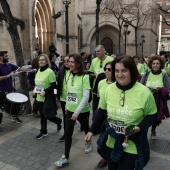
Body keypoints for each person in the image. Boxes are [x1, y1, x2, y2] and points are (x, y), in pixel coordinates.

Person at [85, 55, 157, 170]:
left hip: (132, 143)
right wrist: (91, 130)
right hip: (111, 141)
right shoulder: (109, 89)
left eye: (124, 70)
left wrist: (138, 127)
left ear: (132, 71)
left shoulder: (144, 92)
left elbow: (152, 115)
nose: (119, 74)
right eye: (117, 71)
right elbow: (102, 111)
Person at [55, 54, 91, 167]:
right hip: (70, 109)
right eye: (68, 61)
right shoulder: (70, 75)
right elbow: (68, 92)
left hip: (82, 110)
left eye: (72, 62)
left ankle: (88, 143)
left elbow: (86, 97)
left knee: (86, 128)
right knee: (68, 133)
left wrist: (77, 112)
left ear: (78, 64)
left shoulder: (85, 77)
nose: (69, 64)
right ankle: (65, 157)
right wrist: (66, 107)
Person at [140, 55, 170, 140]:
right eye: (153, 63)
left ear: (161, 65)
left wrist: (159, 90)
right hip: (146, 99)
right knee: (144, 116)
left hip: (158, 100)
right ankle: (144, 130)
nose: (155, 65)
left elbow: (168, 88)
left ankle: (153, 130)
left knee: (156, 117)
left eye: (157, 63)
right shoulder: (147, 73)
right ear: (151, 64)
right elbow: (140, 86)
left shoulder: (163, 74)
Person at [33, 54, 62, 139]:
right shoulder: (37, 70)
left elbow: (54, 85)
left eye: (43, 60)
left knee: (48, 115)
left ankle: (58, 121)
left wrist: (45, 91)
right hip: (39, 97)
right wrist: (34, 91)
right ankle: (43, 131)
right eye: (40, 60)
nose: (41, 61)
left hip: (48, 97)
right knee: (43, 115)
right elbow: (37, 83)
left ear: (46, 61)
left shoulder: (50, 72)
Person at [0, 51, 30, 127]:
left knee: (14, 105)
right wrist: (8, 76)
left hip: (10, 89)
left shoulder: (9, 65)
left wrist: (30, 69)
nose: (8, 57)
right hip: (1, 91)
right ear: (1, 57)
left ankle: (14, 117)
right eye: (6, 56)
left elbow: (20, 69)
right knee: (0, 109)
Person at [95, 62, 114, 168]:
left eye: (109, 69)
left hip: (112, 116)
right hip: (101, 114)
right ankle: (106, 157)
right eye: (105, 69)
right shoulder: (101, 82)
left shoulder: (117, 84)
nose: (106, 71)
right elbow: (99, 98)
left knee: (108, 140)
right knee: (101, 142)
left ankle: (110, 159)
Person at [89, 45, 113, 117]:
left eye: (98, 51)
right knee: (95, 108)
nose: (97, 53)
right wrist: (96, 75)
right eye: (96, 51)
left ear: (104, 51)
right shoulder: (94, 61)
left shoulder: (111, 59)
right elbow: (90, 73)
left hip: (108, 87)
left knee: (106, 108)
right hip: (96, 88)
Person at [57, 55, 70, 142]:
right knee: (65, 117)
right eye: (64, 61)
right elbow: (58, 85)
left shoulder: (75, 72)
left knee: (77, 117)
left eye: (68, 61)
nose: (66, 62)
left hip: (73, 99)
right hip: (63, 98)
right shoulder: (61, 73)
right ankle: (66, 133)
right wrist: (57, 95)